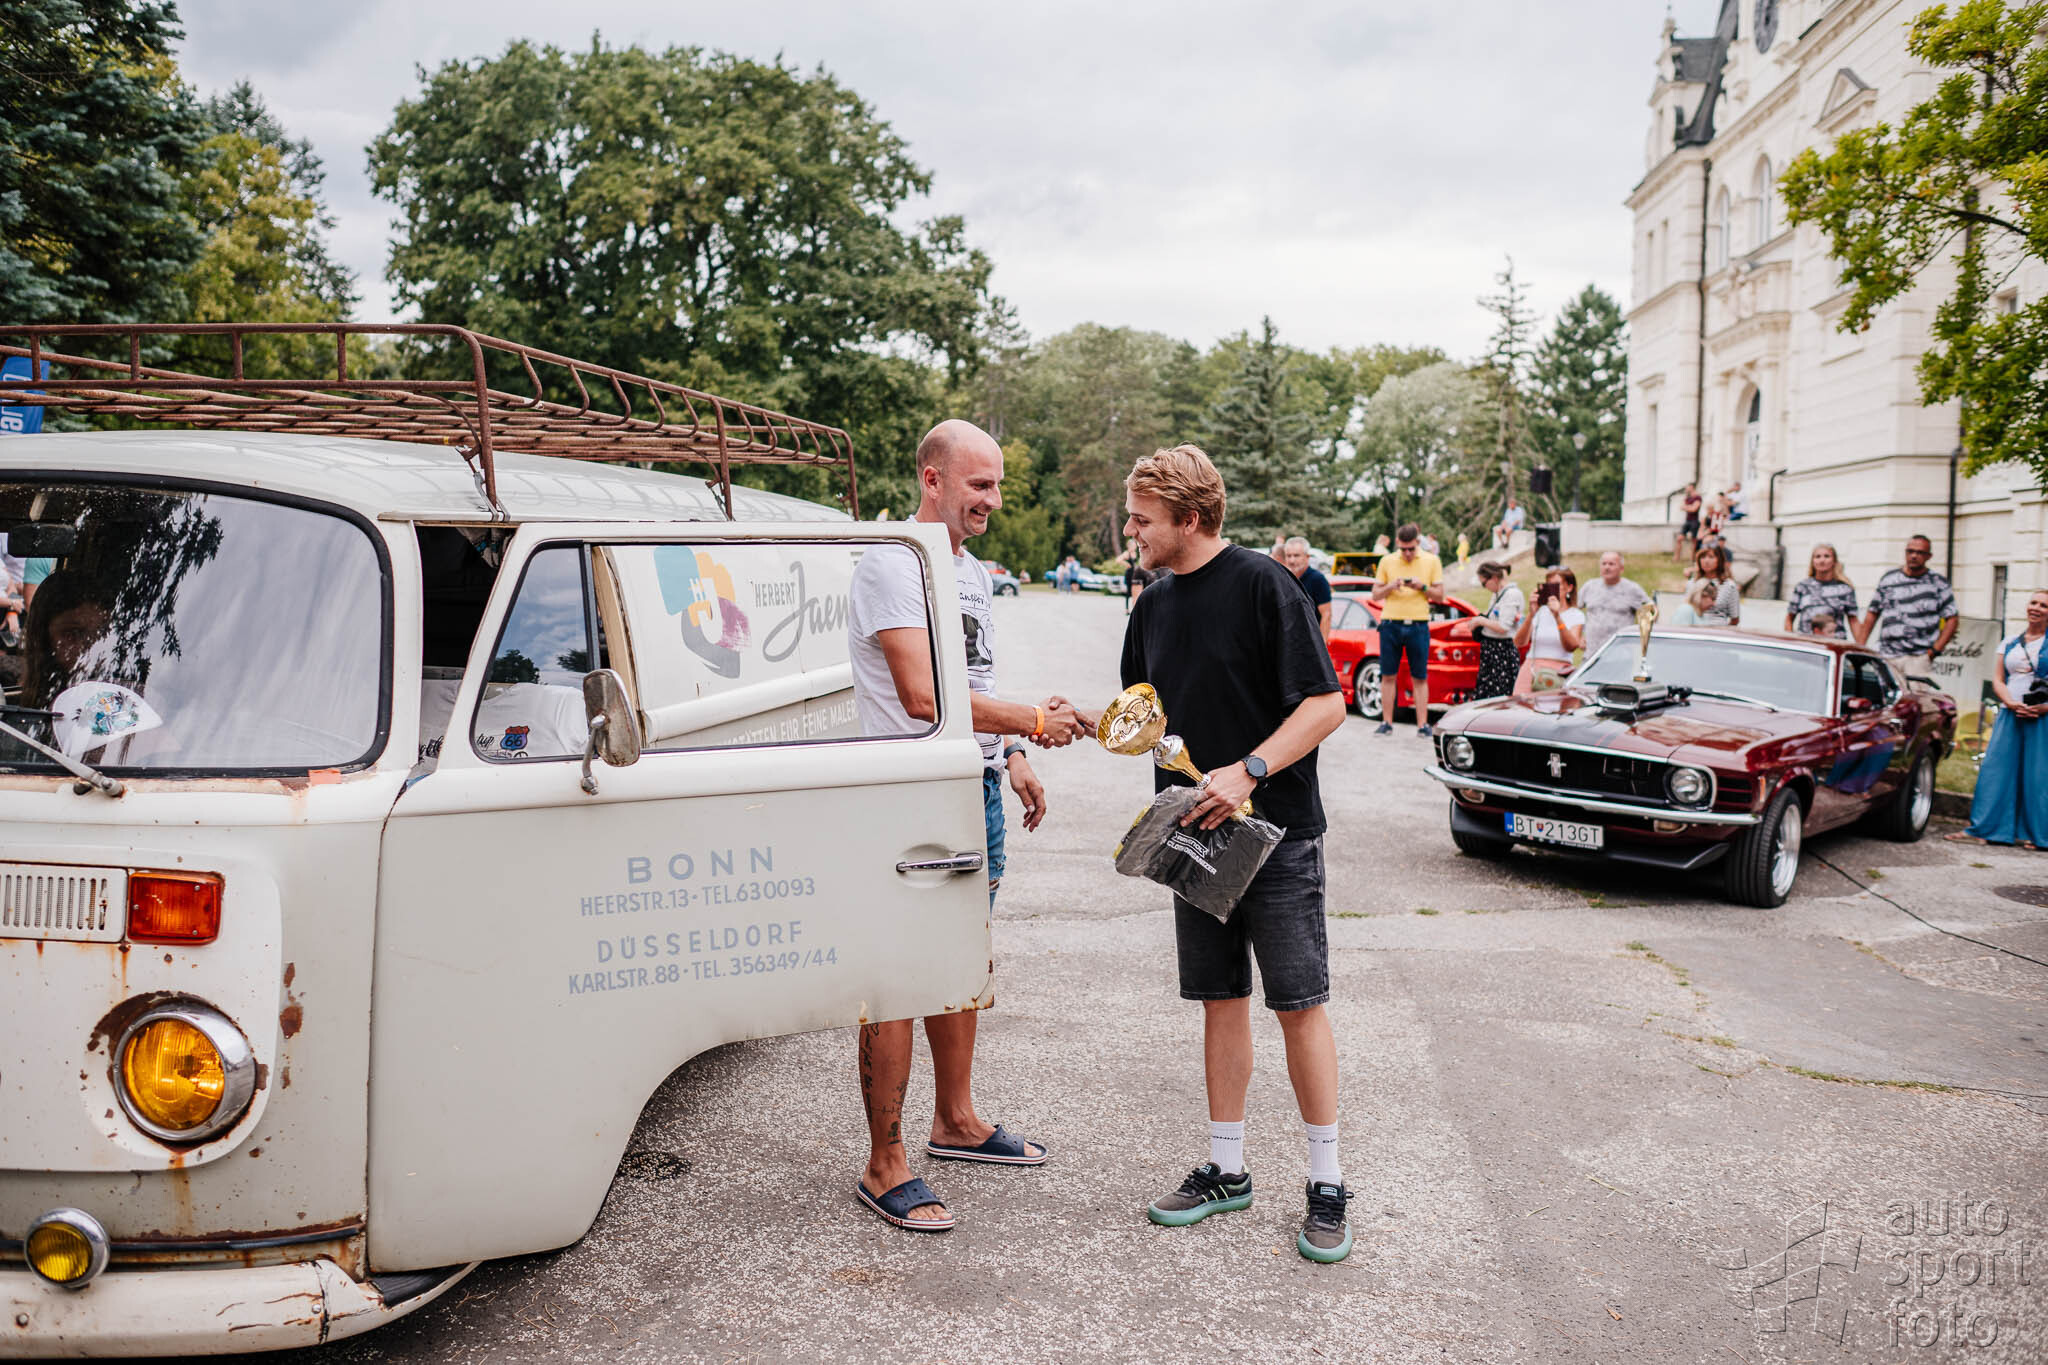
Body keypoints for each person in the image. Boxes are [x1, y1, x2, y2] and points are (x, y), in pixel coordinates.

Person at [1076, 442, 1352, 1263]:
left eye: (1142, 519)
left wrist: (1250, 769)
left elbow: (1327, 705)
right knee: (1219, 999)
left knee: (1298, 1004)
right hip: (1193, 835)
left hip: (1278, 834)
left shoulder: (1266, 585)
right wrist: (1079, 721)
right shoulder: (1151, 606)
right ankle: (1227, 1169)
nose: (1132, 532)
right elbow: (1145, 714)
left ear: (1190, 519)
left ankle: (1328, 1181)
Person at [844, 419, 1083, 1232]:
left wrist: (1014, 752)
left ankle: (956, 1120)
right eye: (980, 484)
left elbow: (974, 680)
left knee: (959, 960)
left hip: (972, 789)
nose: (995, 500)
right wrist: (1031, 717)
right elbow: (922, 696)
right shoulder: (893, 562)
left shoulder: (971, 572)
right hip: (908, 793)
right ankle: (884, 1162)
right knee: (899, 977)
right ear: (932, 478)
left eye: (998, 484)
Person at [1949, 590, 2048, 849]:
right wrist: (2010, 702)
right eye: (2033, 602)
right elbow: (1998, 679)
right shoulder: (2010, 642)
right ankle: (1987, 828)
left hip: (2042, 717)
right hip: (2010, 712)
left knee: (2039, 775)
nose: (2036, 608)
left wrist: (2041, 709)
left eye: (2044, 605)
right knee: (1996, 770)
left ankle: (2040, 835)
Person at [1369, 524, 1444, 737]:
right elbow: (1375, 594)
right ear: (1397, 544)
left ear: (1417, 543)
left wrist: (1423, 587)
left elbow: (1440, 596)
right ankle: (1386, 722)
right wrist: (1390, 586)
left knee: (1419, 676)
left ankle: (1422, 725)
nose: (1407, 553)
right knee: (1387, 675)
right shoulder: (1387, 560)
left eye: (1411, 549)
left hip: (1418, 624)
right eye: (1403, 549)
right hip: (1391, 624)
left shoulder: (1432, 560)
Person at [1858, 535, 1958, 678]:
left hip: (1918, 659)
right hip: (1887, 655)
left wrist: (1934, 651)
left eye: (1920, 552)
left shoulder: (1938, 583)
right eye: (1910, 551)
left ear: (1929, 556)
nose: (1914, 556)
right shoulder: (1889, 579)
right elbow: (1872, 613)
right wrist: (1860, 647)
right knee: (1881, 691)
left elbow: (1952, 619)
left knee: (1915, 692)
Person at [1513, 567, 1583, 693]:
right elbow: (1519, 642)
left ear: (1569, 588)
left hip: (1557, 671)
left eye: (1556, 585)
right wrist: (1531, 614)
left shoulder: (1576, 615)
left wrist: (1557, 617)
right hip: (1531, 667)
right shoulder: (1540, 612)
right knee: (1520, 703)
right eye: (1548, 585)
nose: (1551, 590)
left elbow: (1571, 646)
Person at [1578, 551, 1651, 658]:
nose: (1607, 567)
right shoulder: (1589, 587)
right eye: (1604, 564)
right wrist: (1579, 635)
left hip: (1620, 655)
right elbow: (1574, 611)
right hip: (1591, 654)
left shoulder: (1632, 589)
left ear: (1621, 568)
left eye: (1611, 564)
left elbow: (1650, 612)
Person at [1472, 562, 1522, 699]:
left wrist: (1480, 621)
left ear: (1494, 578)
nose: (1485, 587)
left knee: (1499, 696)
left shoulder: (1511, 594)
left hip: (1501, 651)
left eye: (1484, 583)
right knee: (1487, 695)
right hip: (1492, 651)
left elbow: (1503, 627)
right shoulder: (1498, 594)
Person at [1783, 544, 1857, 636]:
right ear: (1812, 561)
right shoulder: (1803, 587)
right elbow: (1789, 618)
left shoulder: (1845, 589)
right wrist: (1791, 639)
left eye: (1827, 556)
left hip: (1835, 641)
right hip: (1806, 640)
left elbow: (1853, 620)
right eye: (1817, 557)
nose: (1822, 560)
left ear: (1834, 561)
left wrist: (1860, 643)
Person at [1281, 536, 1332, 641]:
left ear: (1307, 557)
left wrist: (1321, 645)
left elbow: (1326, 614)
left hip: (1311, 642)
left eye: (1296, 555)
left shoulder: (1317, 579)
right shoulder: (1283, 578)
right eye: (1288, 556)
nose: (1292, 560)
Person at [1692, 544, 1740, 625]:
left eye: (1711, 557)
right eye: (1703, 557)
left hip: (1717, 629)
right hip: (1694, 629)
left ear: (1719, 560)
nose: (1706, 561)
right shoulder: (1692, 583)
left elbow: (1735, 619)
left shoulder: (1729, 585)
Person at [1676, 483, 1702, 561]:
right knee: (1679, 538)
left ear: (1692, 487)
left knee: (1693, 541)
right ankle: (1676, 558)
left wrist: (1687, 507)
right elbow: (1681, 507)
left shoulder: (1698, 497)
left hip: (1695, 521)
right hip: (1687, 521)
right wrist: (1690, 507)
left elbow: (1694, 509)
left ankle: (1692, 559)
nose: (1686, 489)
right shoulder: (1687, 498)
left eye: (1687, 487)